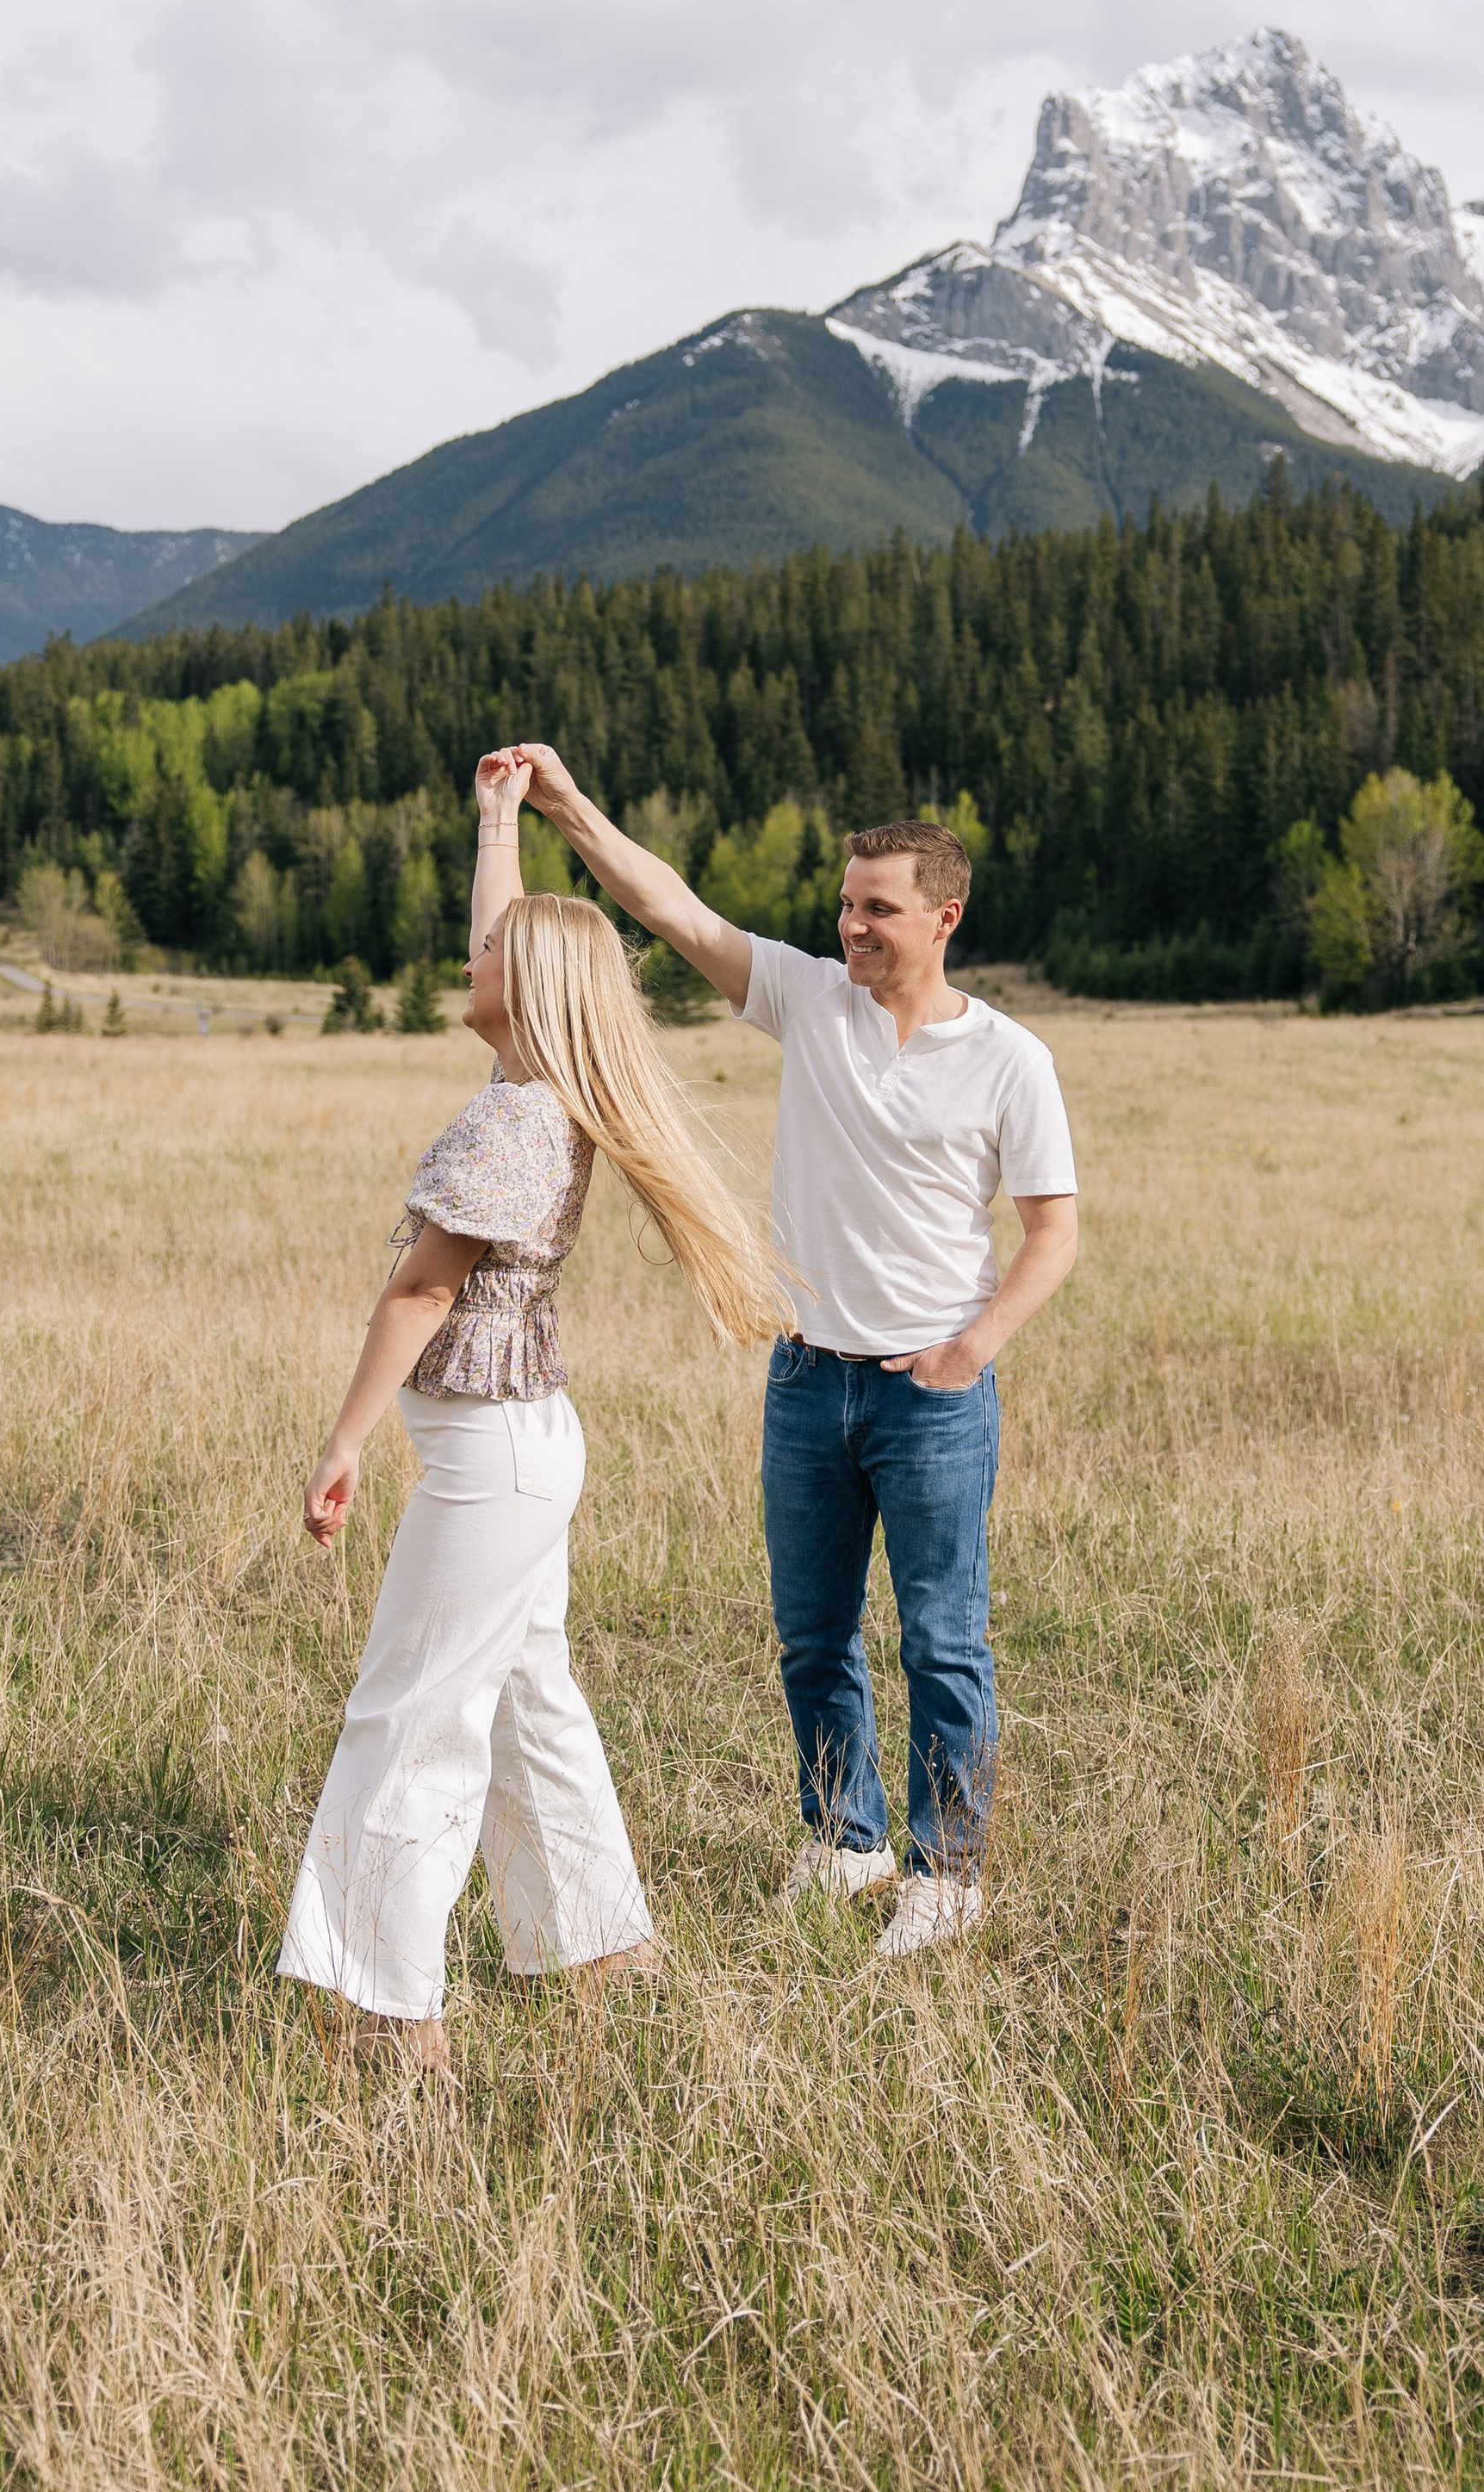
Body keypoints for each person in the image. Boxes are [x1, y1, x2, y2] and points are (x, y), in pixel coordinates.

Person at [504, 749, 1078, 1959]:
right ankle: (845, 1840)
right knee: (811, 1634)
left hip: (933, 1395)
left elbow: (1053, 1235)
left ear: (944, 916)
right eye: (845, 903)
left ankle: (948, 1871)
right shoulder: (810, 999)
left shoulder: (1009, 1060)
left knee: (943, 1639)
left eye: (878, 907)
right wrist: (563, 809)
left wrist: (971, 1351)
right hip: (808, 1380)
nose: (850, 924)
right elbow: (673, 908)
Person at [278, 751, 785, 2070]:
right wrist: (498, 819)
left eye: (497, 952)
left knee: (413, 1709)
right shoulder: (539, 1089)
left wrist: (341, 1442)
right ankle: (600, 1947)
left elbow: (421, 1290)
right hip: (524, 1445)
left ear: (529, 993)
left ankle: (390, 2009)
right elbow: (504, 938)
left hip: (492, 1461)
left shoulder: (513, 1121)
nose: (476, 953)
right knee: (522, 1694)